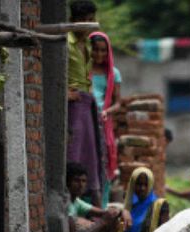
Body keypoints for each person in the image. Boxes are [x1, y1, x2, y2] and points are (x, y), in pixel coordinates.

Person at [67, 0, 103, 207]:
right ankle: (72, 202)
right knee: (73, 153)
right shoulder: (64, 41)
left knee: (91, 155)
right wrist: (64, 93)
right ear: (73, 20)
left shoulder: (87, 44)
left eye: (91, 20)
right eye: (84, 21)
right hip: (73, 106)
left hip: (86, 103)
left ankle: (95, 206)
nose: (88, 24)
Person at [89, 31, 121, 208]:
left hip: (103, 122)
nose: (99, 54)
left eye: (103, 50)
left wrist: (107, 112)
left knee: (105, 162)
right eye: (95, 50)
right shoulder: (83, 70)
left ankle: (102, 205)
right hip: (86, 118)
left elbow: (118, 103)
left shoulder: (113, 73)